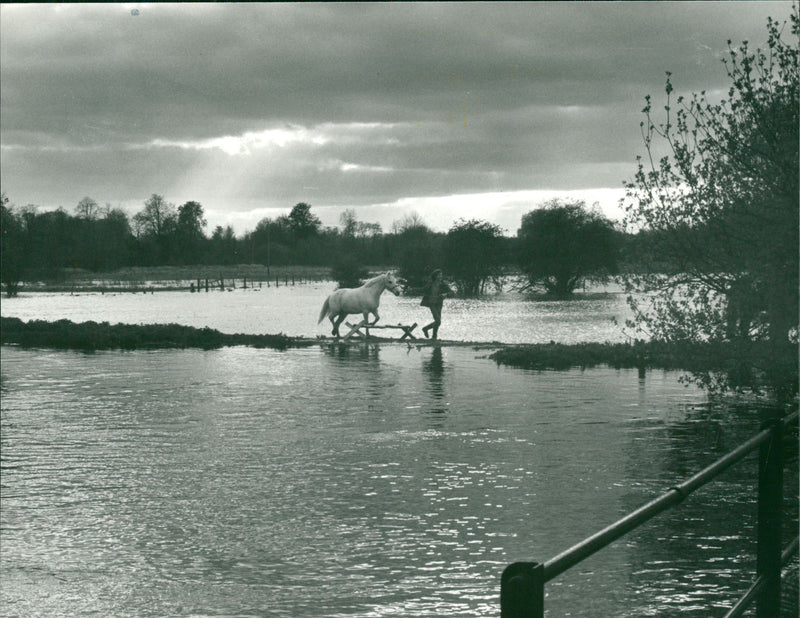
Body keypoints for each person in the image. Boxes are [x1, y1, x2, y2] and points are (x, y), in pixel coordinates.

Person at [419, 269, 452, 340]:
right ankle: (434, 337)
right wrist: (412, 289)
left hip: (439, 304)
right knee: (437, 320)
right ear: (435, 276)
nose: (441, 276)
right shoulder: (430, 283)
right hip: (431, 303)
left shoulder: (443, 284)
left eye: (441, 275)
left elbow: (452, 292)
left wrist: (445, 294)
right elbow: (423, 289)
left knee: (438, 322)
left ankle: (426, 329)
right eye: (439, 275)